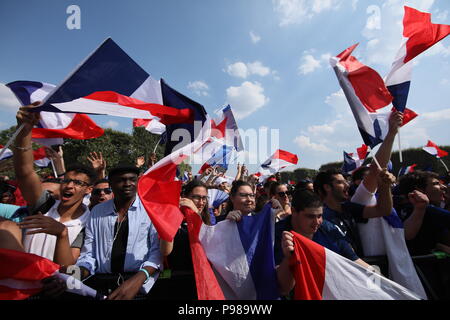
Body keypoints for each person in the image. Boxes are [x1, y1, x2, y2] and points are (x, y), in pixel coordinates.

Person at [13, 104, 94, 261]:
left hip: (55, 284)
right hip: (24, 282)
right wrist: (25, 130)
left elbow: (71, 267)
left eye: (78, 183)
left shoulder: (88, 223)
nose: (69, 186)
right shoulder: (44, 205)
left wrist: (61, 234)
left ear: (89, 189)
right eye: (67, 181)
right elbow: (25, 173)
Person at [75, 165, 161, 300]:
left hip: (140, 287)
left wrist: (139, 278)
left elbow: (157, 252)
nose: (127, 184)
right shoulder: (97, 211)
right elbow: (89, 252)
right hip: (101, 286)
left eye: (132, 179)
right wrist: (78, 272)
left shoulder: (151, 210)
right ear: (111, 184)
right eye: (121, 180)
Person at [276, 189, 371, 296]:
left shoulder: (328, 229)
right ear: (294, 212)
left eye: (320, 216)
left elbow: (354, 260)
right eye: (310, 216)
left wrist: (378, 278)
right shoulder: (276, 235)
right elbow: (282, 289)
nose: (317, 222)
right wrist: (289, 258)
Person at [313, 167, 395, 257]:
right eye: (340, 182)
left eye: (346, 181)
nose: (347, 185)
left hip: (358, 266)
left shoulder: (349, 208)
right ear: (327, 187)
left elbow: (383, 210)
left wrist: (385, 186)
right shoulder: (317, 217)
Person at [155, 179, 212, 299]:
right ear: (185, 197)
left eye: (204, 198)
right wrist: (170, 218)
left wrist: (196, 215)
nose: (201, 202)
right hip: (173, 283)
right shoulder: (173, 217)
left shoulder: (207, 220)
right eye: (196, 197)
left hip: (198, 283)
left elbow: (208, 245)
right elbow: (165, 251)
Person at [396, 170, 450, 255]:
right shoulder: (426, 209)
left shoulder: (403, 208)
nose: (444, 187)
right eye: (436, 184)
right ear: (419, 189)